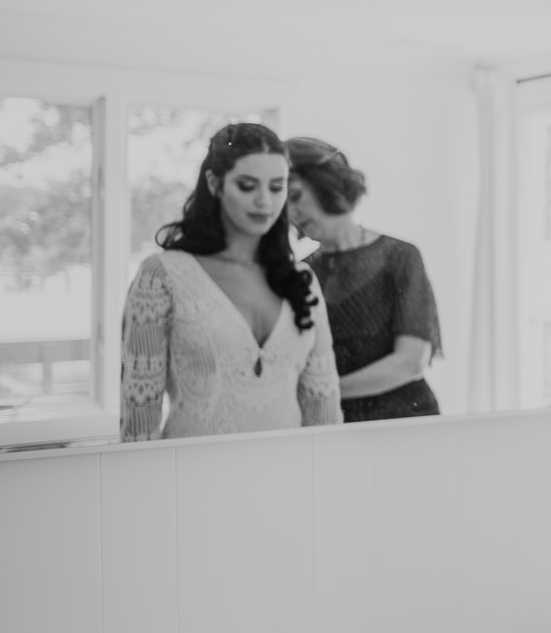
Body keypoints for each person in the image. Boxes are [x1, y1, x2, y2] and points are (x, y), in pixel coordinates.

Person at [120, 122, 340, 441]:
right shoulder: (161, 276)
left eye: (276, 187)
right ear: (215, 183)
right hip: (191, 479)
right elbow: (139, 415)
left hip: (289, 480)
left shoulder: (301, 280)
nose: (264, 202)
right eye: (248, 186)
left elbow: (324, 409)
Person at [284, 137, 443, 422]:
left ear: (327, 186)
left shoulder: (400, 256)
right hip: (334, 423)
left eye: (295, 196)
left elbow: (410, 362)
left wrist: (324, 392)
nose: (291, 213)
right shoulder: (301, 273)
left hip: (407, 422)